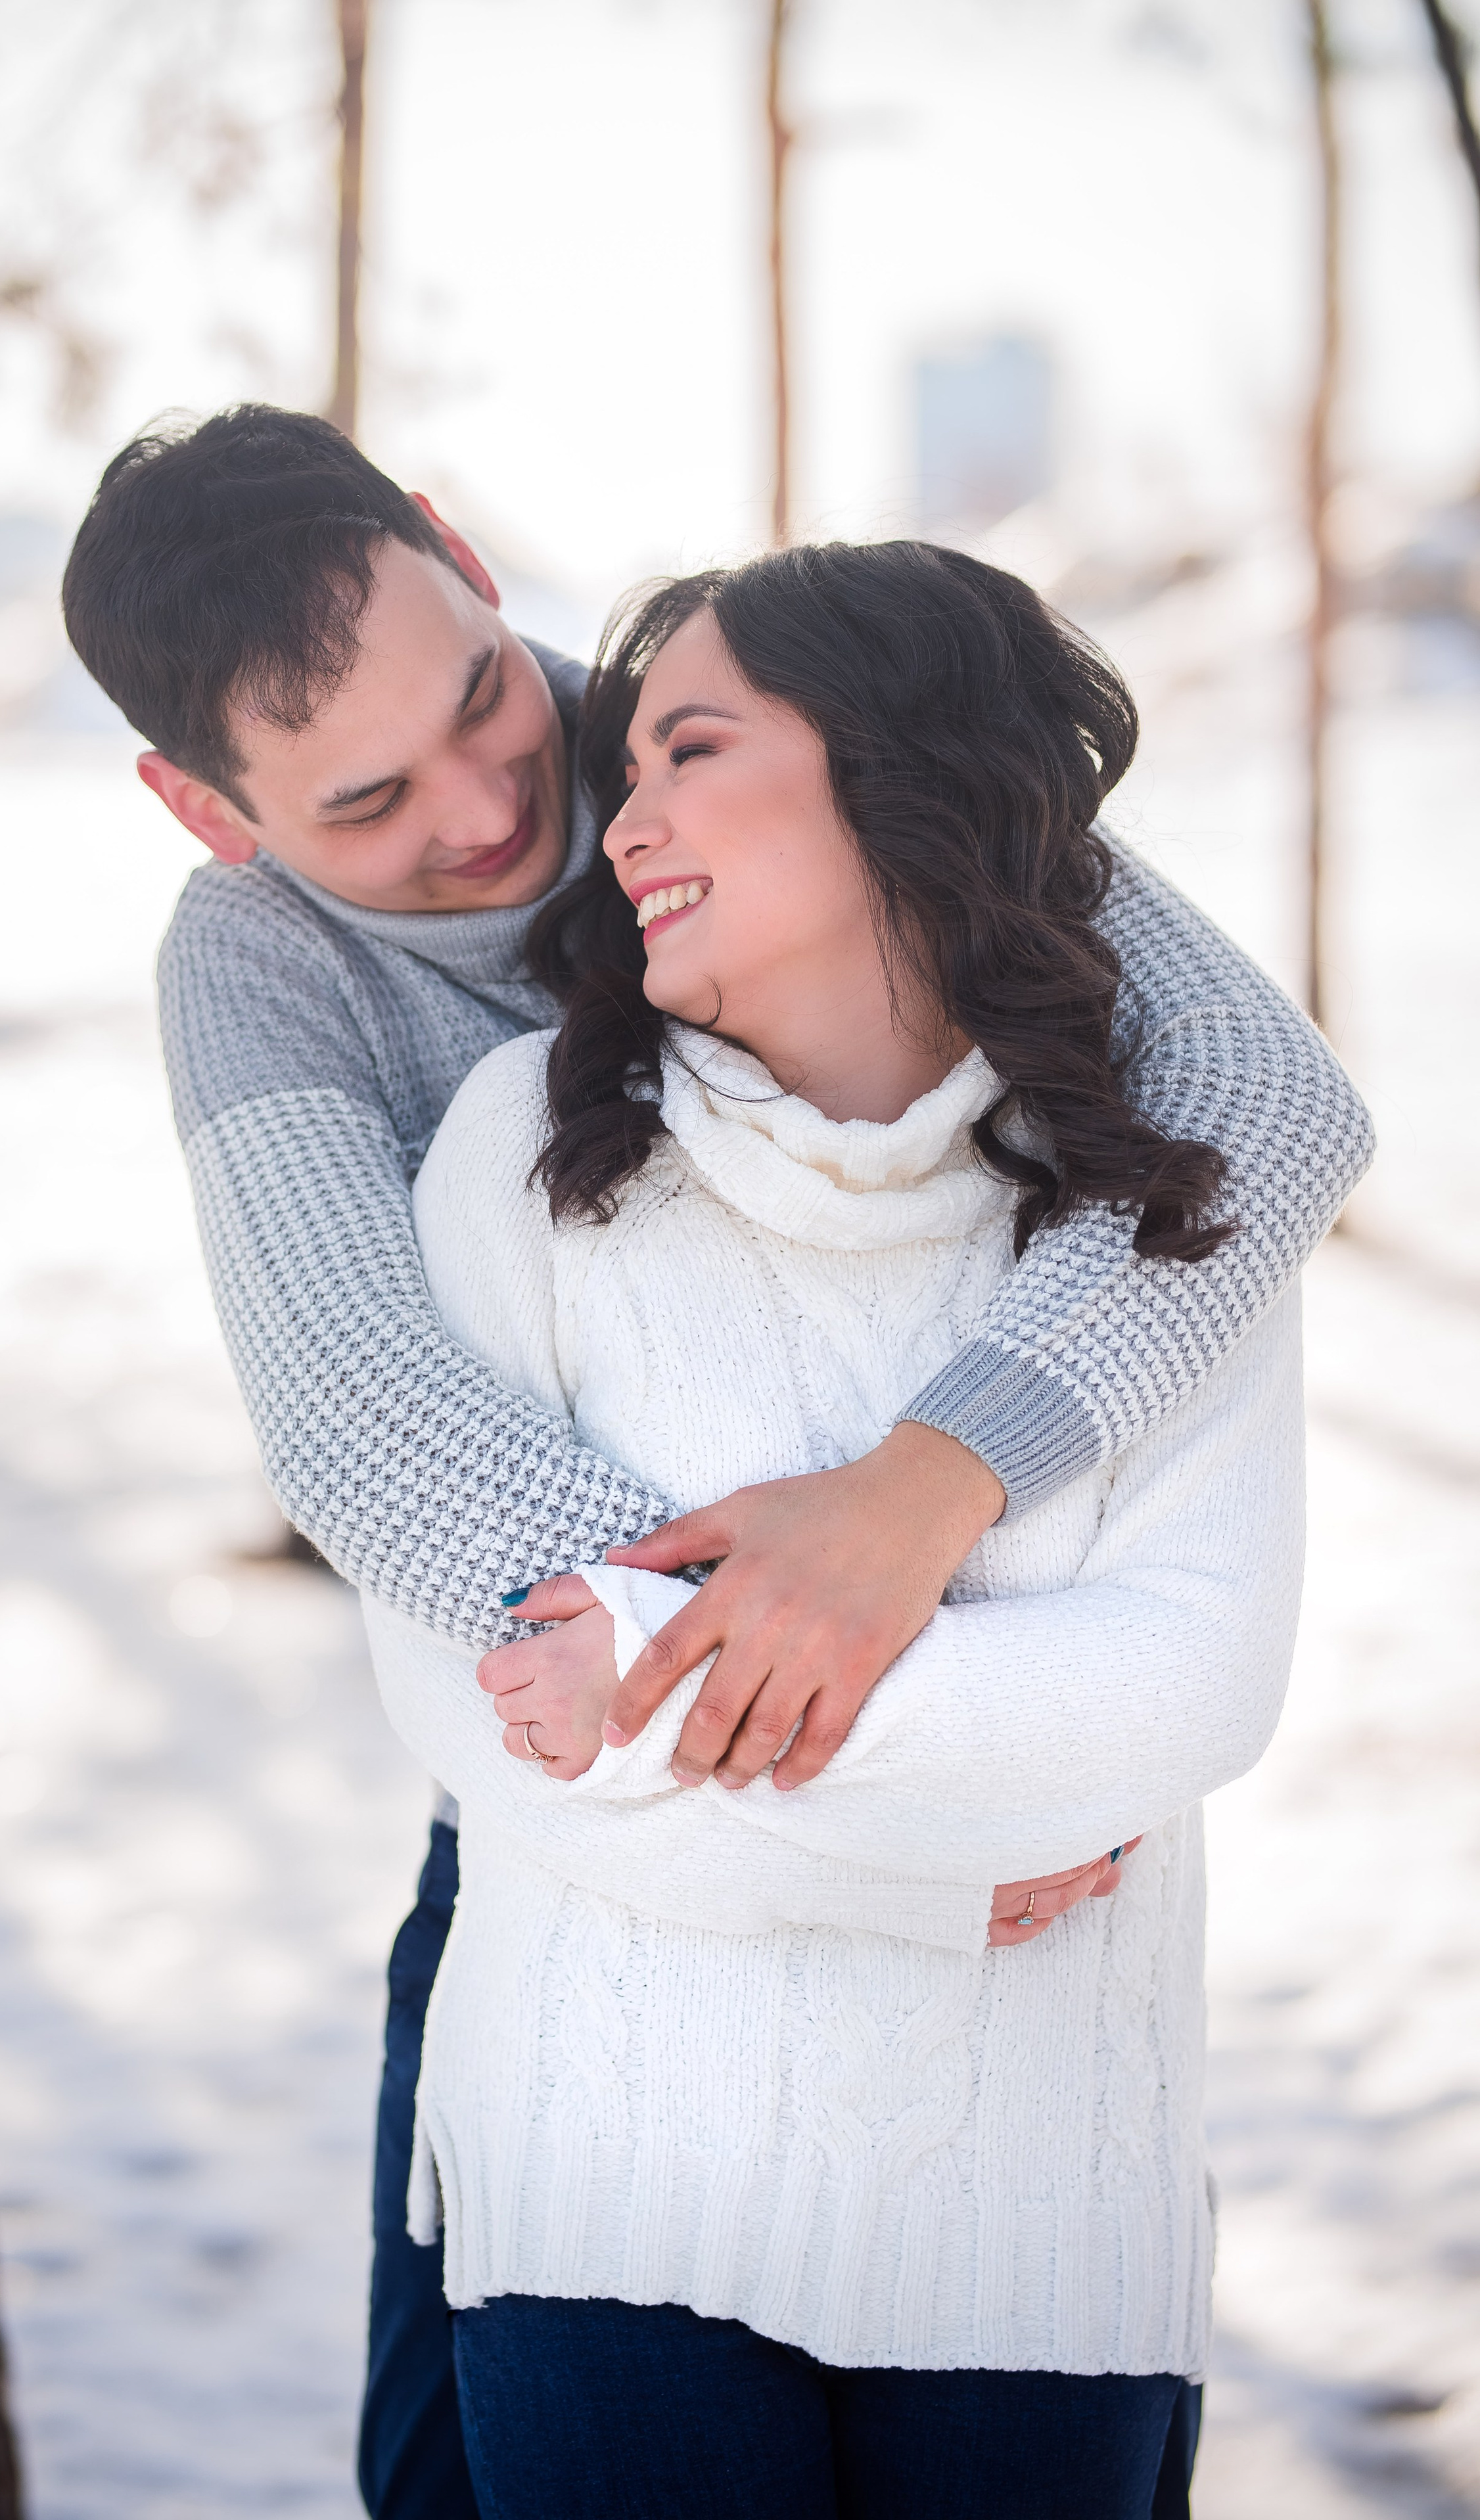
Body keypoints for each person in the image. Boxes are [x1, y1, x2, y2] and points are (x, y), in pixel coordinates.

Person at [58, 408, 1370, 2518]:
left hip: (971, 1758)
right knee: (454, 2462)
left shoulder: (751, 728)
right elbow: (381, 1443)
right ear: (203, 811)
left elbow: (1263, 1109)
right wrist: (856, 1758)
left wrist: (926, 1494)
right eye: (370, 799)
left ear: (462, 551)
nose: (511, 805)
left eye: (490, 690)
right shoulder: (267, 971)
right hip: (592, 1788)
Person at [367, 540, 1309, 2519]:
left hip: (1042, 2228)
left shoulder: (1152, 1210)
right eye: (625, 768)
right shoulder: (521, 1155)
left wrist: (662, 1680)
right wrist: (941, 1864)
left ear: (902, 771)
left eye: (691, 748)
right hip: (601, 2190)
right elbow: (479, 1719)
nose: (623, 819)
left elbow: (1187, 1683)